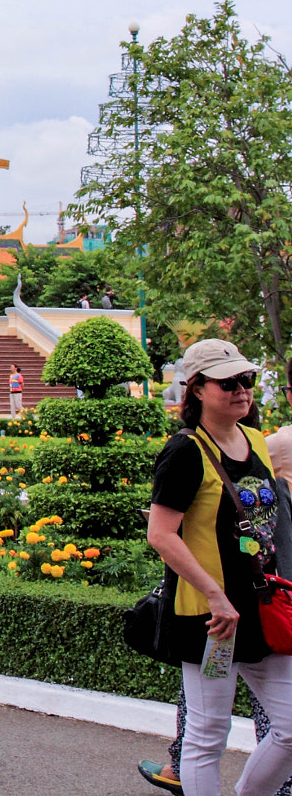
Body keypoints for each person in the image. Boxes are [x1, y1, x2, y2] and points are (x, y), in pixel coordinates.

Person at [147, 340, 292, 796]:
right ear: (196, 389)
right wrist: (215, 594)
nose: (241, 391)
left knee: (289, 727)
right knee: (207, 736)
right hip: (212, 618)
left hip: (261, 608)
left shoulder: (253, 440)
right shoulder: (185, 450)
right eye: (227, 383)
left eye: (246, 381)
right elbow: (161, 534)